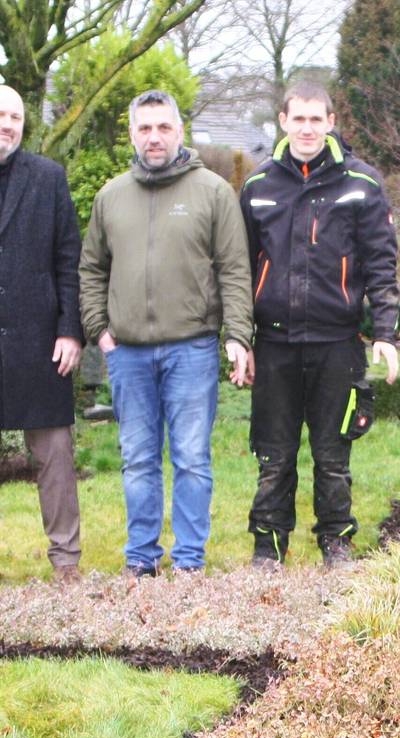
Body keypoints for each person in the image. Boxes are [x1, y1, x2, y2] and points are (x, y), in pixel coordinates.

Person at [79, 89, 253, 577]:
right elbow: (91, 269)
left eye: (163, 128)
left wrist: (237, 334)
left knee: (192, 459)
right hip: (128, 353)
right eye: (144, 129)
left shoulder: (214, 192)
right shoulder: (110, 197)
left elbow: (234, 270)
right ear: (132, 134)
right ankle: (140, 561)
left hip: (192, 349)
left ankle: (189, 564)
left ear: (180, 131)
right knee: (137, 461)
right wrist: (100, 330)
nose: (154, 137)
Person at [240, 80, 399, 569]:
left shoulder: (362, 185)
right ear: (283, 123)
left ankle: (337, 543)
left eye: (317, 119)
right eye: (298, 119)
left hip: (338, 345)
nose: (307, 128)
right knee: (275, 456)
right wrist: (240, 340)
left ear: (331, 123)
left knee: (333, 457)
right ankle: (268, 548)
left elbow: (381, 263)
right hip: (275, 347)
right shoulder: (257, 187)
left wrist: (386, 334)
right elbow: (239, 271)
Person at [0, 85, 83, 584]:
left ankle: (66, 562)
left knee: (54, 454)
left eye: (14, 116)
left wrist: (70, 330)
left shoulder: (48, 178)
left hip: (39, 341)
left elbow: (68, 260)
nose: (6, 124)